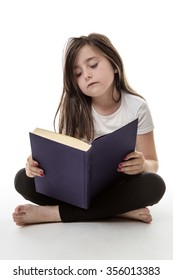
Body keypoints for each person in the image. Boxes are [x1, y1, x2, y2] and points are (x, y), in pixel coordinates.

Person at [13, 33, 166, 226]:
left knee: (154, 185)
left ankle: (54, 214)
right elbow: (64, 161)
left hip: (118, 187)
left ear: (115, 65)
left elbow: (153, 164)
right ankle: (118, 210)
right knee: (22, 179)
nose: (86, 75)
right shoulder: (75, 108)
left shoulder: (137, 107)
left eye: (93, 65)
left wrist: (142, 165)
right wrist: (36, 165)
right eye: (77, 73)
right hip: (80, 190)